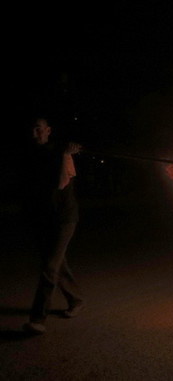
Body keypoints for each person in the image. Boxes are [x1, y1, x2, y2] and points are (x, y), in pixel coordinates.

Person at [23, 118, 84, 334]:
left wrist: (65, 154)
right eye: (32, 128)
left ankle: (38, 318)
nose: (35, 132)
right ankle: (75, 300)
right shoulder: (29, 155)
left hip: (65, 218)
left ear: (49, 130)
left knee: (49, 267)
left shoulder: (60, 152)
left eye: (39, 128)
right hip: (43, 218)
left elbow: (60, 183)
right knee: (56, 263)